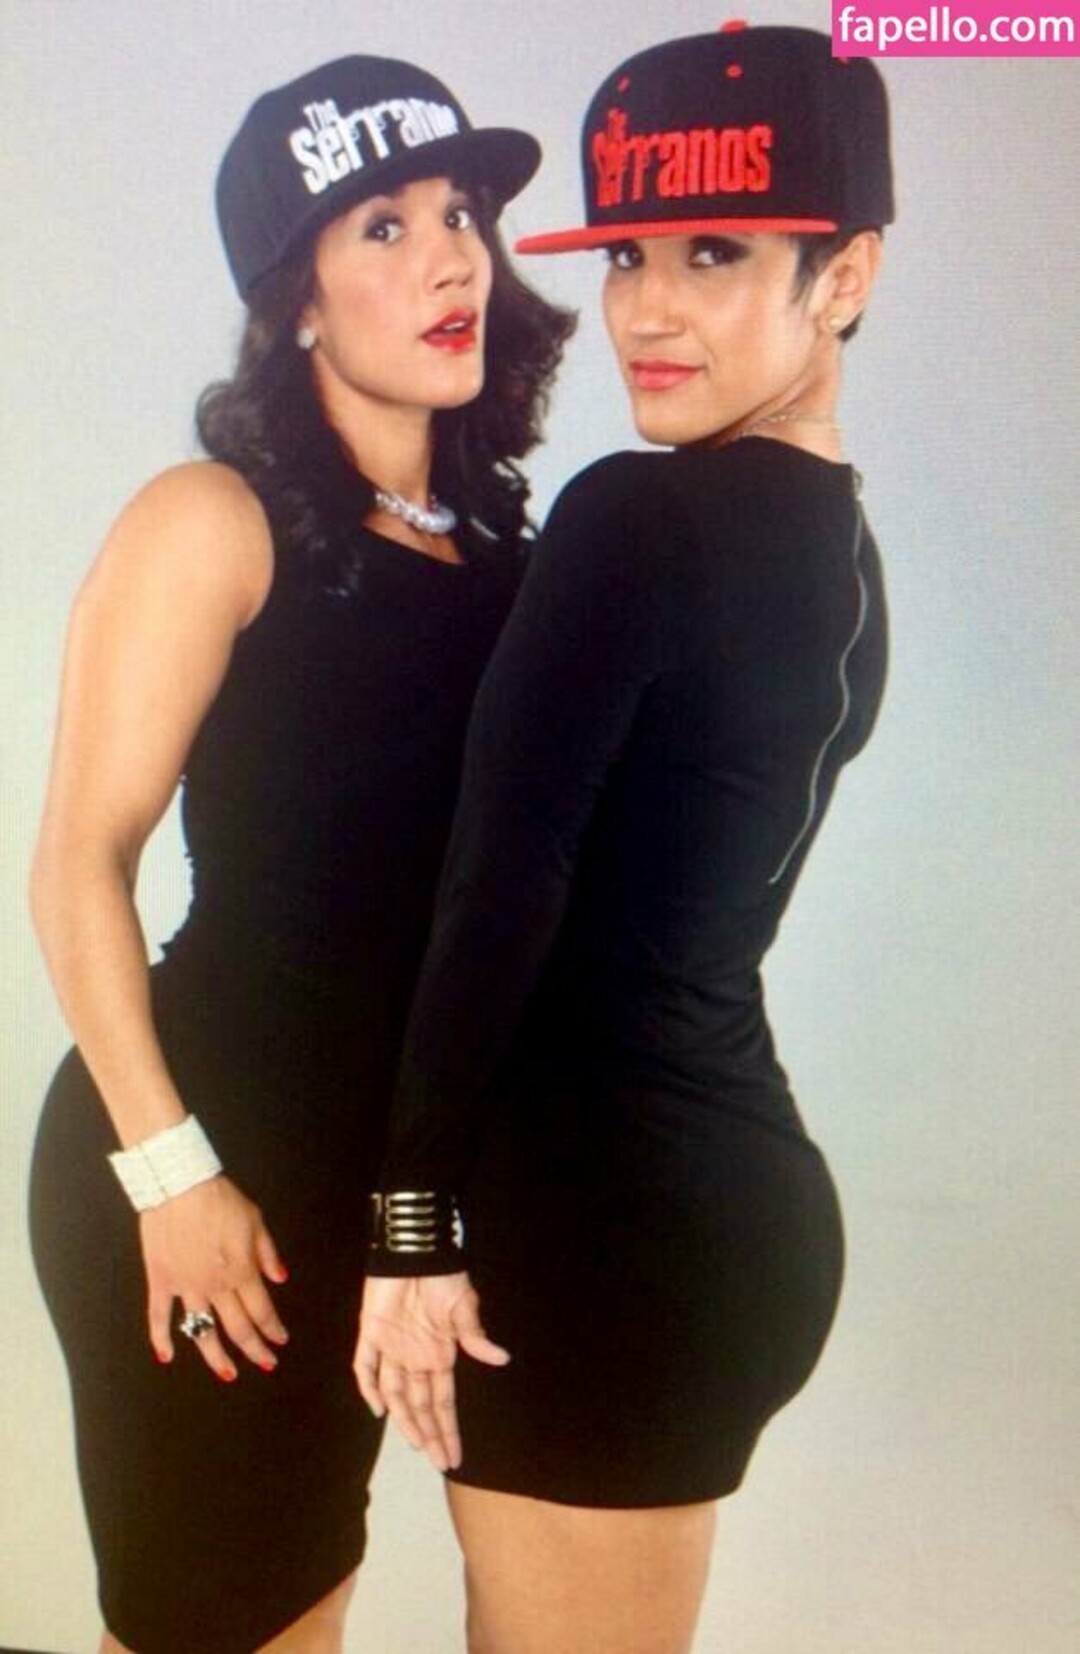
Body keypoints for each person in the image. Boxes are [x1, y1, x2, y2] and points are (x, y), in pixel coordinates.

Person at [355, 24, 894, 1654]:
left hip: (606, 1232)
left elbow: (503, 888)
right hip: (715, 1214)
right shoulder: (845, 549)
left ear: (846, 275)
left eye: (714, 254)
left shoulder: (636, 518)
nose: (647, 311)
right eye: (625, 258)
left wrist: (408, 1222)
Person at [28, 52, 571, 1654]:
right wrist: (171, 1173)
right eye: (383, 228)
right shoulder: (213, 520)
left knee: (305, 1614)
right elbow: (76, 861)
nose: (452, 258)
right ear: (300, 304)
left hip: (386, 1199)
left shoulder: (507, 558)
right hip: (210, 1176)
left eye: (461, 213)